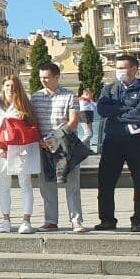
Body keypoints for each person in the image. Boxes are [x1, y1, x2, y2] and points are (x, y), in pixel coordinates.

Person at [95, 53, 140, 232]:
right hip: (113, 141)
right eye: (118, 68)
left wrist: (117, 113)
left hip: (137, 142)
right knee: (105, 181)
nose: (120, 71)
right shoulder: (109, 89)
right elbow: (102, 109)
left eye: (123, 67)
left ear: (134, 69)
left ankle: (138, 221)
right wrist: (128, 110)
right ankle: (107, 220)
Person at [31, 63, 85, 233]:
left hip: (65, 145)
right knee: (46, 185)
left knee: (72, 184)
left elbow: (74, 121)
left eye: (46, 77)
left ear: (56, 77)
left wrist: (55, 137)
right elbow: (32, 121)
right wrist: (39, 139)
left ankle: (76, 221)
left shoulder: (69, 96)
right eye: (41, 78)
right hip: (43, 146)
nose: (43, 81)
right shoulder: (35, 97)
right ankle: (50, 220)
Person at [0, 75, 41, 234]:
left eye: (14, 86)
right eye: (7, 86)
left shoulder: (25, 106)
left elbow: (33, 128)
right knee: (4, 185)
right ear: (2, 87)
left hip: (22, 150)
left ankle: (26, 220)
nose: (10, 89)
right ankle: (5, 220)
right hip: (1, 150)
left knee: (25, 184)